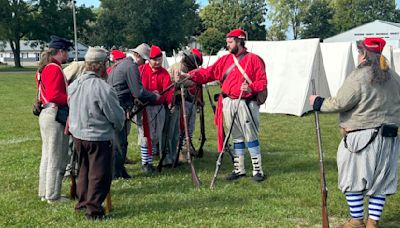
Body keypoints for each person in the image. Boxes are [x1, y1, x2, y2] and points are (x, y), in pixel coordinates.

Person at [309, 37, 400, 228]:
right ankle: (372, 222)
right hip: (389, 138)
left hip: (362, 138)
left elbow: (341, 102)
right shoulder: (394, 77)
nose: (358, 55)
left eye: (359, 52)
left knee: (352, 178)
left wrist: (319, 102)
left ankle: (357, 220)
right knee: (380, 182)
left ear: (364, 53)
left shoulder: (359, 76)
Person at [183, 28, 268, 182]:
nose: (227, 45)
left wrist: (251, 88)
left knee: (251, 136)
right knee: (236, 137)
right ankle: (239, 169)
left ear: (239, 41)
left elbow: (262, 81)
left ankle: (257, 170)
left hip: (246, 103)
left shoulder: (254, 59)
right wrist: (190, 75)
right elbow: (208, 73)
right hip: (228, 102)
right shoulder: (225, 60)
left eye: (230, 42)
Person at [68, 47, 125, 220]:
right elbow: (115, 115)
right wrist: (118, 124)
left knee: (84, 171)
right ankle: (93, 210)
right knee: (99, 175)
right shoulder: (103, 88)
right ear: (100, 66)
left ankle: (83, 203)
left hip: (79, 135)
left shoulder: (75, 84)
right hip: (98, 136)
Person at [107, 44, 159, 179]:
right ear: (139, 56)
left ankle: (119, 170)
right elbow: (138, 91)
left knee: (119, 141)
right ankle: (116, 173)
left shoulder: (122, 64)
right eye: (145, 59)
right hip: (119, 106)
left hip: (116, 104)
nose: (145, 62)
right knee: (120, 142)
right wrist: (153, 96)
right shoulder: (131, 66)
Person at [36, 35, 72, 203]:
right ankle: (53, 195)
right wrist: (71, 99)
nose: (67, 55)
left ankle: (45, 192)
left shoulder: (44, 68)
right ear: (60, 51)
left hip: (47, 112)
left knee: (48, 155)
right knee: (56, 156)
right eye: (66, 51)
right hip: (54, 113)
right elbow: (54, 95)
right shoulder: (54, 68)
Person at [163, 48, 203, 166]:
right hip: (172, 102)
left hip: (178, 101)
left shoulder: (183, 68)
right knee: (171, 133)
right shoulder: (180, 68)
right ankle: (168, 157)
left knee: (175, 132)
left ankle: (174, 155)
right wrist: (196, 80)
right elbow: (179, 84)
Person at [137, 45, 173, 173]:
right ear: (149, 59)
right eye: (155, 60)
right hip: (143, 108)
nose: (157, 62)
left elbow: (168, 90)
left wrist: (170, 102)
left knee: (155, 135)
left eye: (159, 59)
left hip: (158, 108)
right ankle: (145, 162)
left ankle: (150, 162)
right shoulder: (141, 70)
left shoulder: (164, 73)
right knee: (144, 136)